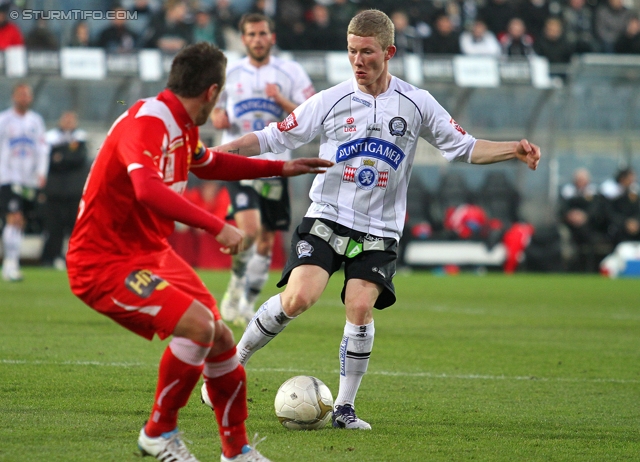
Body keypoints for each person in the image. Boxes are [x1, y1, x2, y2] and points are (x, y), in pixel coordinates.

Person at [211, 9, 541, 430]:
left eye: (367, 52)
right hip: (328, 216)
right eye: (351, 52)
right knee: (298, 299)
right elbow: (275, 136)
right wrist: (215, 157)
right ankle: (230, 366)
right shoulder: (330, 100)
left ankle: (345, 408)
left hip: (380, 228)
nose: (358, 61)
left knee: (360, 306)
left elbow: (463, 147)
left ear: (389, 52)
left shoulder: (417, 103)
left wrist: (514, 148)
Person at [65, 42, 331, 462]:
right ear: (211, 92)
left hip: (149, 252)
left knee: (221, 338)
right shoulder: (149, 121)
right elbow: (146, 188)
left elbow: (210, 163)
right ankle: (158, 433)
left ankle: (236, 451)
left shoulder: (181, 123)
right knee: (199, 326)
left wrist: (281, 166)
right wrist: (215, 224)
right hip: (103, 261)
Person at [212, 13, 315, 327]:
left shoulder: (291, 71)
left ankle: (245, 304)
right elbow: (216, 103)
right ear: (243, 39)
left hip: (275, 167)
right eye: (251, 34)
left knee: (267, 241)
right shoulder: (229, 70)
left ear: (272, 37)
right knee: (251, 230)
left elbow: (311, 114)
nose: (257, 39)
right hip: (239, 164)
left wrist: (281, 99)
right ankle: (234, 285)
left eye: (262, 34)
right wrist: (217, 114)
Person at [0, 83, 49, 282]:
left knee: (21, 221)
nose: (24, 98)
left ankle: (12, 262)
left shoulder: (36, 121)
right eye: (20, 94)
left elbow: (42, 149)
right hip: (8, 177)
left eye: (27, 95)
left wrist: (41, 172)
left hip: (29, 180)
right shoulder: (4, 119)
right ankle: (10, 264)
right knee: (14, 217)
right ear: (14, 97)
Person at [40, 111, 89, 270]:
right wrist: (66, 158)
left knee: (75, 227)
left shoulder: (81, 138)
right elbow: (50, 161)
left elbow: (78, 159)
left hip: (74, 192)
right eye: (65, 119)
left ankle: (76, 259)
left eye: (71, 120)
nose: (68, 123)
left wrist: (62, 158)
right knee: (53, 227)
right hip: (54, 192)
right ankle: (50, 258)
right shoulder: (51, 138)